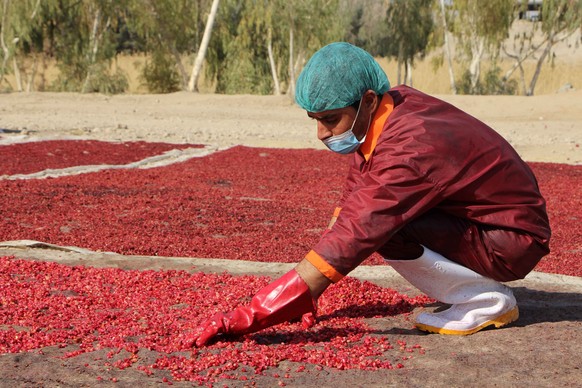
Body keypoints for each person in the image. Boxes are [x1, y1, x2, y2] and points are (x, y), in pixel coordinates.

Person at [193, 42, 551, 346]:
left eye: (331, 119)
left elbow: (359, 229)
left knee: (384, 228)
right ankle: (473, 291)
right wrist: (311, 288)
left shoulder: (411, 146)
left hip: (509, 241)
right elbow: (353, 204)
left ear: (366, 100)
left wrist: (254, 313)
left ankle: (483, 301)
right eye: (314, 120)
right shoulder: (391, 107)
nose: (320, 133)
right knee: (367, 221)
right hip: (487, 224)